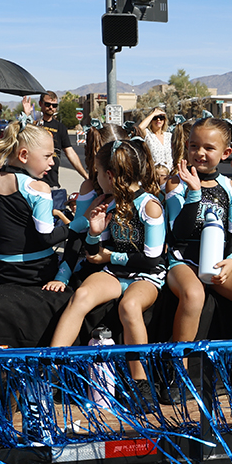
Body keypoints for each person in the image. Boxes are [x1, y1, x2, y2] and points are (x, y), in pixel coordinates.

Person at [49, 138, 166, 402]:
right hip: (115, 273)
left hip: (146, 275)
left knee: (130, 306)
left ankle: (141, 383)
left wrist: (110, 255)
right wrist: (94, 232)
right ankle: (51, 369)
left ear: (110, 175)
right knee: (81, 296)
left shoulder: (149, 205)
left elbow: (151, 259)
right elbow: (93, 256)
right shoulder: (106, 201)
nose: (96, 178)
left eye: (99, 173)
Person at [165, 117, 232, 391]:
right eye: (193, 146)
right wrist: (193, 193)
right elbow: (178, 232)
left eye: (208, 148)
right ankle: (179, 371)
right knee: (194, 295)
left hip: (218, 260)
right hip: (183, 259)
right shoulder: (176, 183)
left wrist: (231, 262)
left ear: (225, 153)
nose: (199, 153)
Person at [0, 120, 70, 285]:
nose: (52, 162)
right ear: (23, 155)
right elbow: (47, 238)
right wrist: (75, 226)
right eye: (47, 156)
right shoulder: (38, 188)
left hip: (1, 270)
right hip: (37, 272)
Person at [45, 122, 131, 292]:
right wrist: (62, 277)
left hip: (132, 270)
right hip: (95, 267)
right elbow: (75, 239)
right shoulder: (90, 188)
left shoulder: (140, 193)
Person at [23, 92, 89, 189]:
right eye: (47, 104)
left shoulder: (60, 127)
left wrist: (85, 176)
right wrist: (26, 115)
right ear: (40, 104)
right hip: (31, 181)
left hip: (51, 183)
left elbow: (70, 153)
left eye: (54, 105)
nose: (51, 107)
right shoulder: (33, 124)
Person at [138, 107, 174, 175]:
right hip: (154, 174)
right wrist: (153, 113)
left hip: (169, 174)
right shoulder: (148, 135)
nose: (158, 120)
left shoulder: (169, 136)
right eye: (155, 118)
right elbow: (140, 127)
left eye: (161, 117)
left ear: (164, 120)